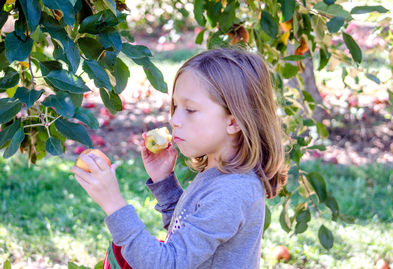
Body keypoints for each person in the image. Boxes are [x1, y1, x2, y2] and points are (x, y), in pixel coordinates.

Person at [71, 48, 288, 269]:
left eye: (190, 110)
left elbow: (167, 264)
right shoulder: (219, 174)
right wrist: (164, 181)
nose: (174, 119)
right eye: (175, 107)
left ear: (233, 122)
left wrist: (113, 203)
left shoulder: (232, 191)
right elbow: (186, 231)